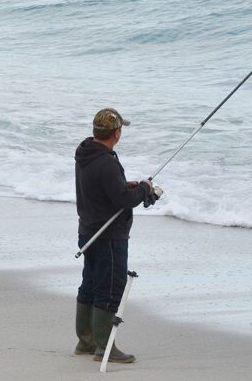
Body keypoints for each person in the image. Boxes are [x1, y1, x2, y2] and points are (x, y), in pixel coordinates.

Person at [73, 107, 159, 364]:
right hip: (108, 236)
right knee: (109, 289)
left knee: (90, 285)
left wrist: (127, 186)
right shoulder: (106, 162)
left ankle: (85, 342)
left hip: (88, 231)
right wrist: (144, 188)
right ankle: (103, 347)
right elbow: (124, 200)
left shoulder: (86, 153)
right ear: (116, 133)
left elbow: (110, 191)